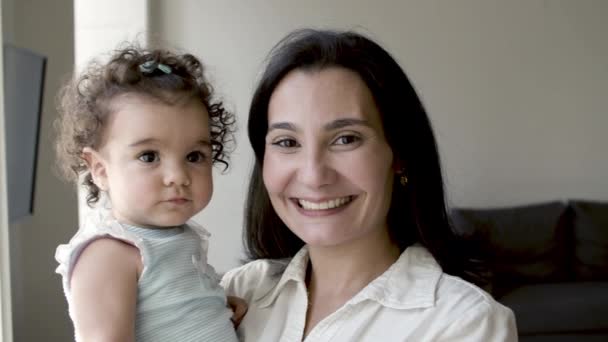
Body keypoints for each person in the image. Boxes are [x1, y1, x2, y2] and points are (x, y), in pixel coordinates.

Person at [221, 29, 518, 341]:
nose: (313, 175)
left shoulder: (465, 323)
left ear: (399, 153)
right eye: (287, 142)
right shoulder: (237, 292)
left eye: (346, 139)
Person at [54, 46, 243, 341]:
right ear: (100, 170)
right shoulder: (109, 254)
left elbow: (171, 306)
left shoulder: (176, 238)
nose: (178, 176)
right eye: (149, 157)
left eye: (194, 156)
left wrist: (219, 307)